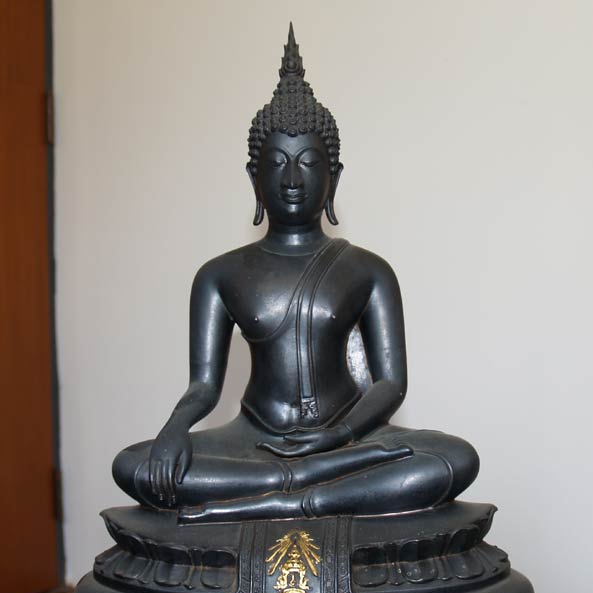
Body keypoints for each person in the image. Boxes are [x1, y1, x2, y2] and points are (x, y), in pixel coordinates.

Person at [112, 25, 479, 523]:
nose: (291, 179)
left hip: (346, 438)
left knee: (454, 457)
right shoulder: (219, 275)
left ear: (334, 177)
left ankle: (292, 494)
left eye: (307, 163)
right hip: (254, 439)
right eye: (277, 164)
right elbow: (204, 385)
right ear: (254, 177)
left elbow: (390, 383)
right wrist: (174, 429)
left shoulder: (369, 271)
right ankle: (303, 484)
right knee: (134, 464)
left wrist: (338, 435)